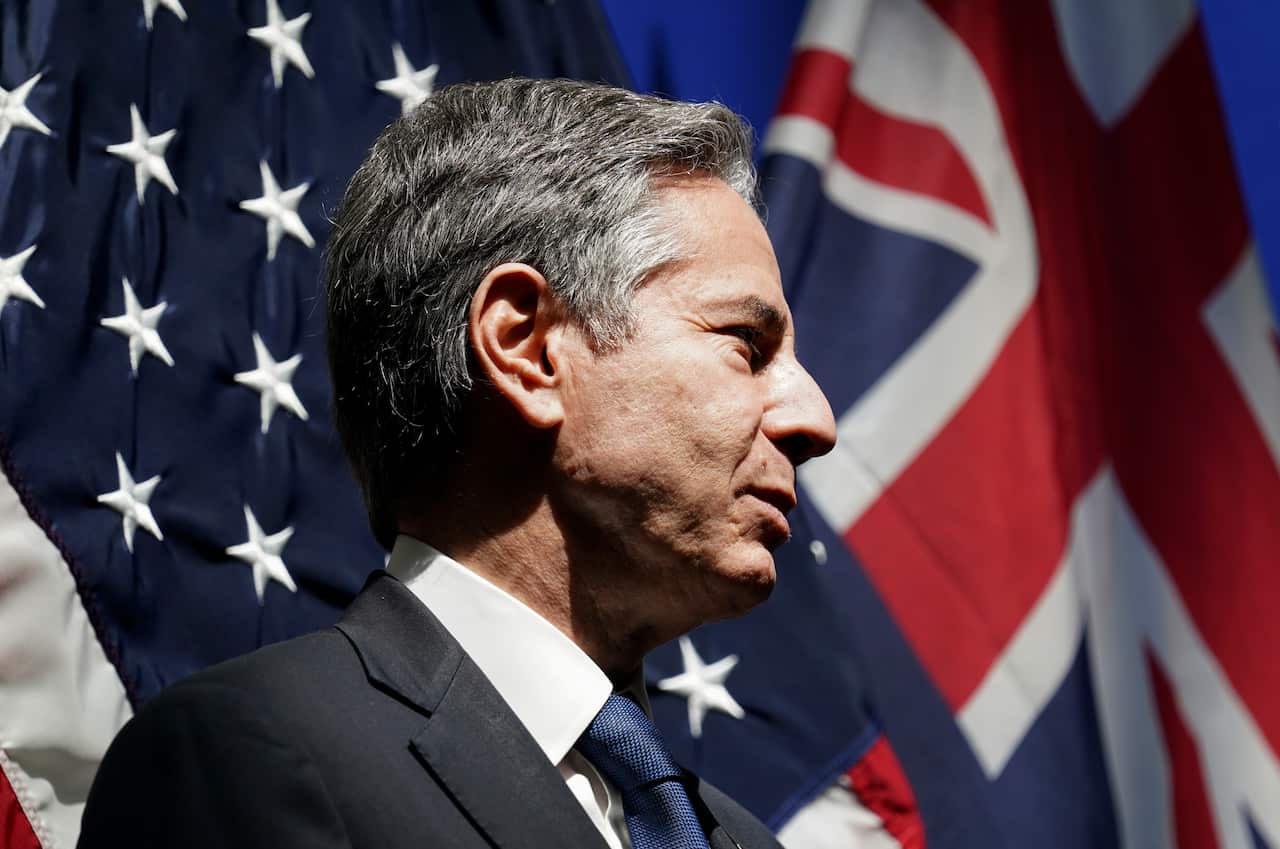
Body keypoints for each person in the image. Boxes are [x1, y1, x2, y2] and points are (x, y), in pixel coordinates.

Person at [78, 77, 836, 849]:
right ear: (526, 345)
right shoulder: (248, 764)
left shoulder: (742, 840)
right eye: (747, 342)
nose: (815, 420)